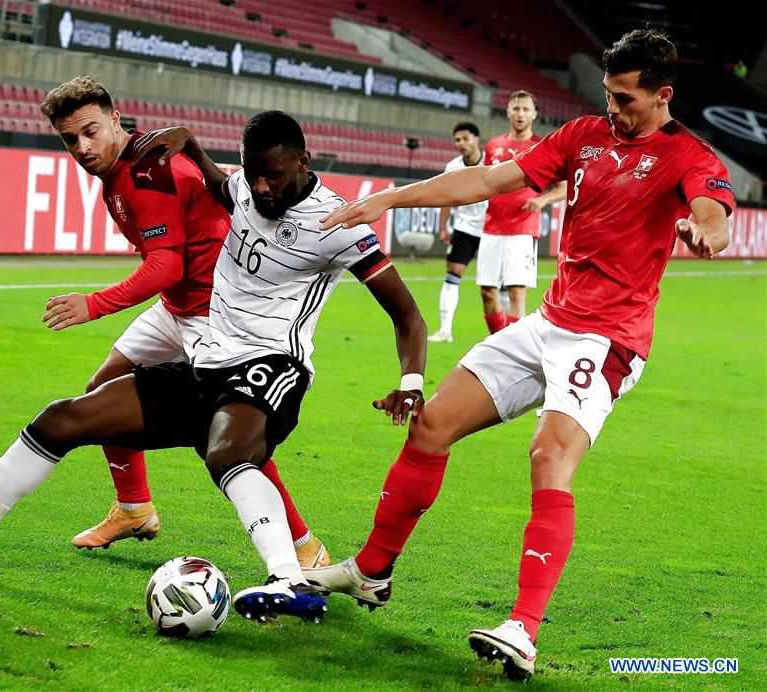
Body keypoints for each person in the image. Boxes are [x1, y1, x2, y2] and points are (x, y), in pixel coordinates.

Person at [0, 110, 428, 626]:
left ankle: (287, 579)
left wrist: (410, 381)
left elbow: (406, 314)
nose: (262, 188)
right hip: (206, 364)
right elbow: (221, 183)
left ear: (303, 164)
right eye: (255, 174)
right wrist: (189, 139)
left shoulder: (340, 225)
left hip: (272, 366)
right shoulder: (243, 186)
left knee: (228, 452)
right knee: (60, 420)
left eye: (275, 177)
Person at [305, 29, 733, 680]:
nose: (612, 109)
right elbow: (486, 179)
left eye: (624, 98)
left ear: (661, 95)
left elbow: (712, 212)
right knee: (430, 426)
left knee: (548, 454)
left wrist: (704, 231)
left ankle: (522, 630)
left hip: (607, 339)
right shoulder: (583, 136)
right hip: (547, 322)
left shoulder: (687, 156)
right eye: (607, 95)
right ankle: (370, 571)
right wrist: (388, 198)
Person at [35, 77, 328, 568]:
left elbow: (164, 265)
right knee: (102, 388)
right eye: (70, 140)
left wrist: (95, 303)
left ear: (115, 118)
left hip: (214, 314)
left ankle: (304, 548)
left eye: (90, 131)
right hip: (178, 306)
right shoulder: (122, 169)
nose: (82, 148)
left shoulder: (149, 170)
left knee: (231, 439)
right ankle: (133, 508)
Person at [477, 91, 565, 334]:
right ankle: (498, 343)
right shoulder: (494, 146)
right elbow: (484, 181)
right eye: (516, 108)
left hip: (522, 230)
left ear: (535, 114)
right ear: (507, 111)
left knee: (516, 292)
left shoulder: (542, 147)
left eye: (526, 109)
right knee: (487, 292)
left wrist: (543, 199)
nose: (520, 114)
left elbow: (564, 187)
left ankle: (509, 350)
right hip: (492, 227)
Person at [427, 122, 487, 344]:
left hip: (492, 229)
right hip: (465, 227)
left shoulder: (493, 160)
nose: (461, 144)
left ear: (476, 139)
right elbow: (446, 198)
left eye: (465, 138)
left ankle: (502, 332)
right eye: (457, 140)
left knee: (495, 285)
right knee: (453, 274)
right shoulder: (453, 167)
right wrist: (443, 227)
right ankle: (445, 330)